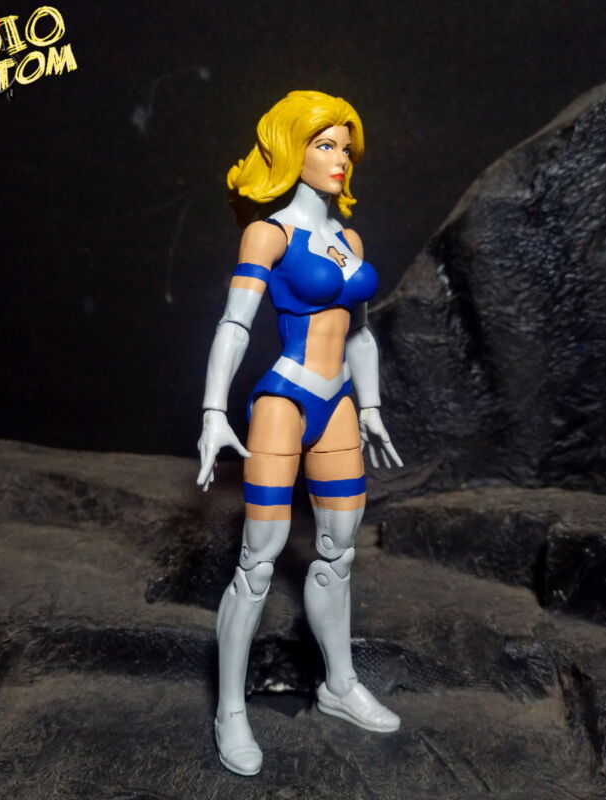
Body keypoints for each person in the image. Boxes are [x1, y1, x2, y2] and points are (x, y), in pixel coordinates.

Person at [196, 90, 403, 777]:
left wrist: (371, 406)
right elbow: (235, 324)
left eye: (346, 147)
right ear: (292, 149)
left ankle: (339, 685)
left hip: (338, 401)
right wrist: (213, 413)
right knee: (259, 560)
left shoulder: (351, 239)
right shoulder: (270, 235)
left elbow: (360, 332)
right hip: (285, 398)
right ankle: (230, 709)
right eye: (325, 144)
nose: (341, 158)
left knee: (339, 549)